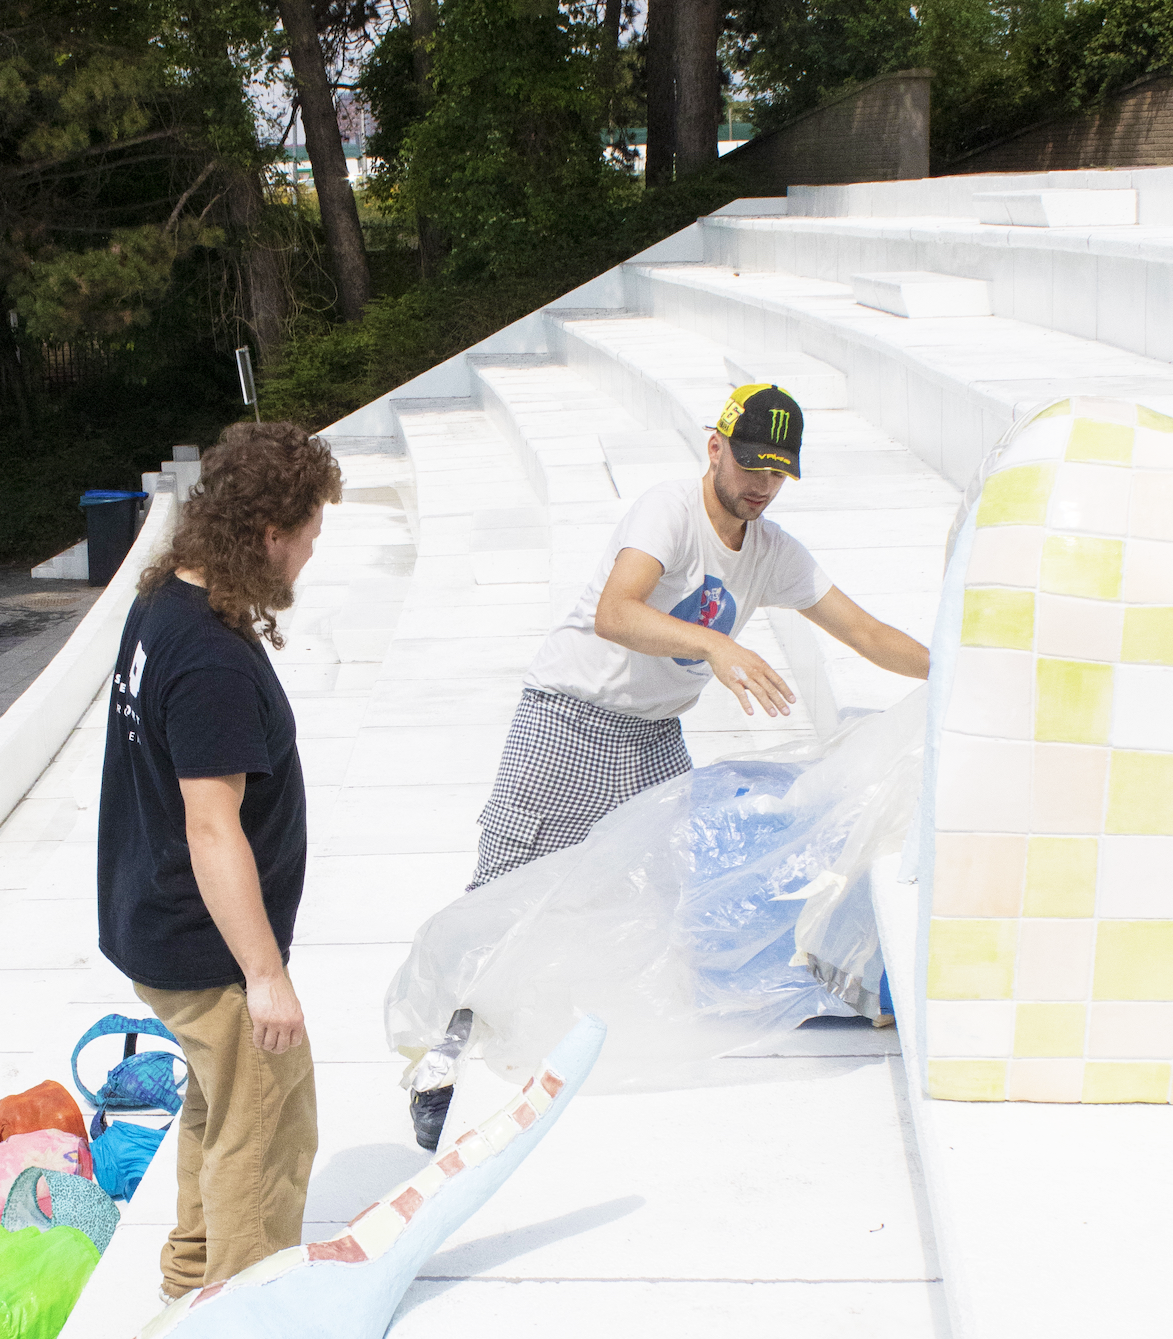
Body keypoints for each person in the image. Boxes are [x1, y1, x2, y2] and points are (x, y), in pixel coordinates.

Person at [405, 385, 932, 1147]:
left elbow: (867, 632)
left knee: (664, 895)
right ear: (715, 447)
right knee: (501, 893)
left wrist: (956, 668)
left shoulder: (772, 553)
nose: (760, 485)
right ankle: (438, 1060)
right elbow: (614, 611)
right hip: (569, 720)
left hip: (651, 737)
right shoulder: (668, 511)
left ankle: (601, 1034)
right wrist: (716, 644)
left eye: (777, 473)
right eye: (750, 463)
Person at [96, 421, 342, 1303]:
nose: (311, 553)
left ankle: (193, 1277)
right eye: (310, 534)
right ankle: (243, 1307)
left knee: (217, 1103)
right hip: (208, 949)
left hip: (158, 926)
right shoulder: (208, 659)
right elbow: (212, 829)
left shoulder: (164, 602)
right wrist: (266, 975)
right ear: (268, 533)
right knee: (269, 1125)